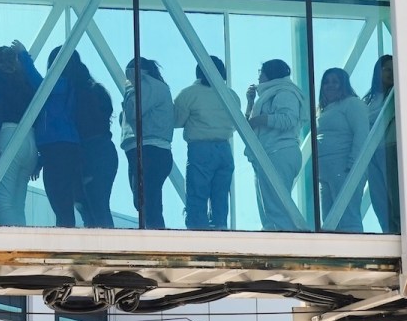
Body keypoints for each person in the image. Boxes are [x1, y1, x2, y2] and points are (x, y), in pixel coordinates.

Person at [15, 41, 83, 228]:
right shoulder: (68, 87)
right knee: (59, 196)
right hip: (60, 147)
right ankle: (65, 231)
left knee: (58, 195)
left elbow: (40, 84)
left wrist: (23, 56)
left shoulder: (61, 85)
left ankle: (65, 234)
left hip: (58, 147)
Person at [174, 56, 240, 230]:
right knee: (220, 196)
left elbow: (176, 121)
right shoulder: (231, 95)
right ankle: (220, 229)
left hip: (200, 148)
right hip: (225, 149)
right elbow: (235, 123)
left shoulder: (189, 94)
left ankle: (198, 233)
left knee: (197, 195)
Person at [0, 45, 38, 226]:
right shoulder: (27, 83)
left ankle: (20, 247)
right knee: (17, 205)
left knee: (0, 201)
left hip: (8, 137)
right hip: (31, 141)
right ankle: (25, 245)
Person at [245, 59, 307, 231]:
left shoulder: (284, 93)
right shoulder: (269, 95)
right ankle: (274, 239)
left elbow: (288, 119)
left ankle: (286, 241)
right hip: (268, 153)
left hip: (279, 151)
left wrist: (260, 119)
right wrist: (250, 103)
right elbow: (248, 127)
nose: (259, 78)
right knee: (269, 209)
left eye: (261, 73)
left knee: (276, 207)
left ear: (269, 74)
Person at [121, 57, 174, 229]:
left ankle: (156, 240)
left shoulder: (144, 84)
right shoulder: (157, 86)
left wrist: (129, 88)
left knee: (147, 203)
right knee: (148, 201)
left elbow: (133, 111)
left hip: (148, 149)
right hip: (153, 149)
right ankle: (155, 236)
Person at [316, 68, 369, 232]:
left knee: (348, 217)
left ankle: (357, 254)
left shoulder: (352, 103)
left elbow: (361, 133)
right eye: (326, 82)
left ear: (343, 84)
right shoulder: (323, 110)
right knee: (329, 220)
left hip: (344, 168)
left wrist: (353, 165)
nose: (330, 85)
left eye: (335, 81)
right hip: (325, 173)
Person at [70, 49, 117, 228]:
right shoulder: (97, 90)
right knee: (98, 206)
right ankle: (106, 246)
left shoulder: (79, 94)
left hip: (91, 150)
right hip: (104, 148)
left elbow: (83, 121)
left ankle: (104, 247)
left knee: (91, 207)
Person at [364, 54, 400, 233]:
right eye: (387, 69)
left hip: (390, 149)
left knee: (396, 199)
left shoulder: (397, 96)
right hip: (372, 154)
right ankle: (388, 234)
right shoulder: (368, 99)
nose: (390, 74)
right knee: (379, 200)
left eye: (394, 70)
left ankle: (399, 234)